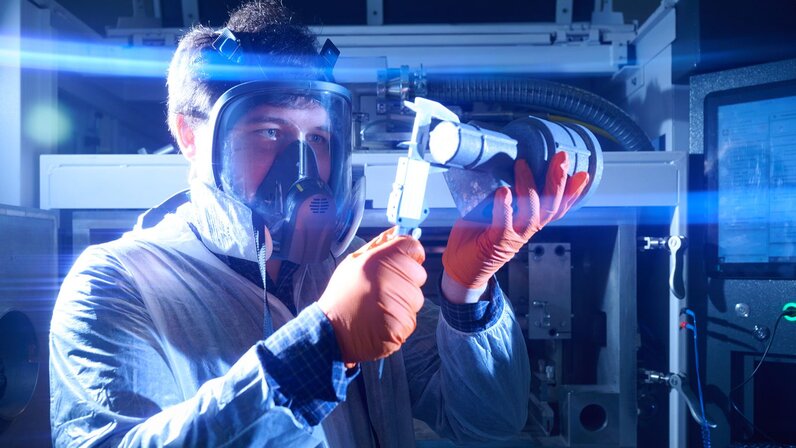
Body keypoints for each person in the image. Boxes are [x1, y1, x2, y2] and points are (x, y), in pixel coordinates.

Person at [49, 1, 590, 446]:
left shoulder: (348, 268)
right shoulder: (115, 284)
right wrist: (324, 347)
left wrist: (466, 296)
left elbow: (487, 424)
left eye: (318, 139)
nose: (302, 167)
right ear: (191, 136)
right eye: (269, 133)